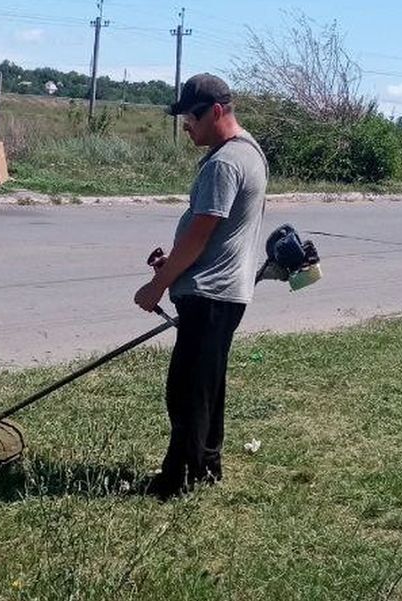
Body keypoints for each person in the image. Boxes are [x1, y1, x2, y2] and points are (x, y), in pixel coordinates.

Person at [134, 73, 268, 499]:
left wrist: (159, 283)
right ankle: (207, 467)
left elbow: (201, 233)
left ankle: (177, 481)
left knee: (187, 390)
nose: (185, 126)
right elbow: (212, 234)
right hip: (221, 291)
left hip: (211, 293)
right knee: (206, 385)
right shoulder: (247, 152)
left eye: (190, 117)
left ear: (215, 112)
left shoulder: (226, 161)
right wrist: (172, 264)